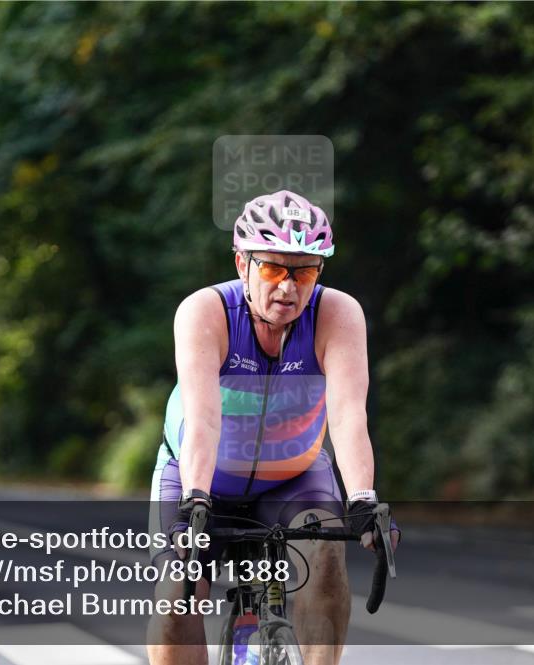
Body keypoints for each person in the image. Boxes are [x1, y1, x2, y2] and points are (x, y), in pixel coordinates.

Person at [147, 190, 398, 665]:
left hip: (295, 476)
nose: (288, 287)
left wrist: (363, 498)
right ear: (241, 263)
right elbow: (201, 417)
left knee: (325, 559)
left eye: (304, 271)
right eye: (272, 269)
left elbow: (348, 414)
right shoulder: (206, 312)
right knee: (179, 591)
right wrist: (196, 499)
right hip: (202, 476)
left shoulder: (338, 314)